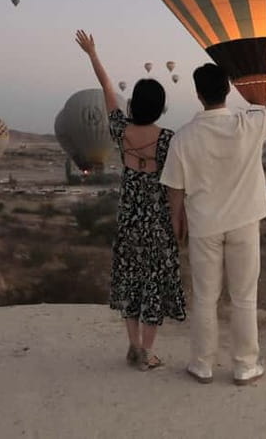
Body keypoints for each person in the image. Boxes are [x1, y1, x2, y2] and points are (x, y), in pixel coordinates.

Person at [161, 46, 266, 385]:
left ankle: (202, 365)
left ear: (198, 94)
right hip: (245, 222)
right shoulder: (249, 124)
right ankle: (245, 365)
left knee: (205, 297)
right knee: (244, 297)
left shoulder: (183, 137)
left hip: (203, 225)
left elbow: (174, 187)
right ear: (229, 89)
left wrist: (176, 219)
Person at [75, 30, 186, 371]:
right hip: (157, 222)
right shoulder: (168, 139)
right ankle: (147, 354)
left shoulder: (121, 131)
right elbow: (174, 188)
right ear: (160, 106)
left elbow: (108, 92)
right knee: (153, 284)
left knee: (130, 281)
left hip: (129, 220)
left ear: (135, 104)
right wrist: (179, 223)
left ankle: (133, 346)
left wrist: (93, 54)